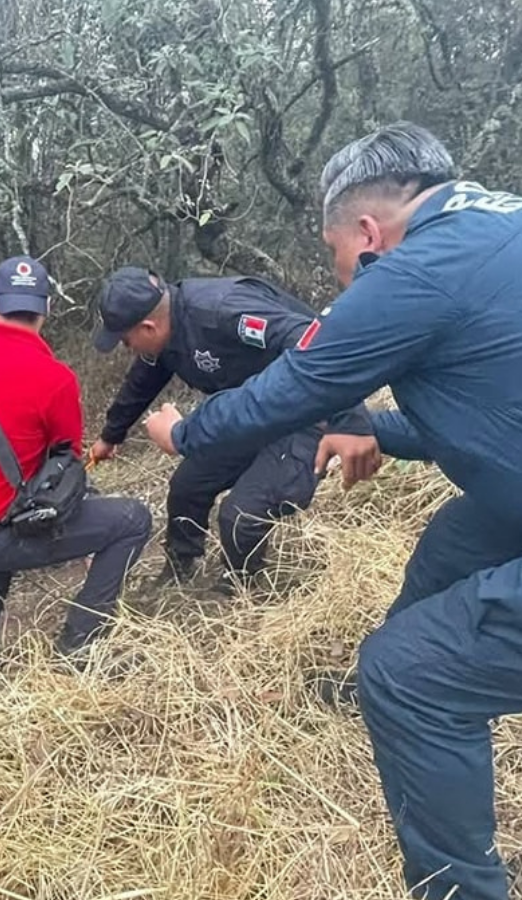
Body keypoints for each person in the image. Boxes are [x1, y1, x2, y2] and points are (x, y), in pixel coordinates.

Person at [141, 123, 522, 900]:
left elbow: (291, 382)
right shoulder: (496, 228)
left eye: (333, 253)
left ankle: (459, 888)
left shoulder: (415, 270)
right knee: (457, 536)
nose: (341, 275)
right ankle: (368, 694)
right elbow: (488, 418)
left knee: (409, 673)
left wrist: (185, 434)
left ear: (368, 231)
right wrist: (359, 425)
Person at [0, 256, 152, 670]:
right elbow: (62, 464)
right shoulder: (55, 379)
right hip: (4, 531)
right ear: (46, 309)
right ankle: (78, 645)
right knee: (133, 519)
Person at [89, 267, 379, 591]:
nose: (128, 348)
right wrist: (110, 435)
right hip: (252, 415)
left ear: (148, 326)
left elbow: (317, 343)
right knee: (187, 487)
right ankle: (180, 567)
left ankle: (241, 588)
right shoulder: (168, 331)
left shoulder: (222, 311)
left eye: (127, 340)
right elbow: (143, 379)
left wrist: (351, 422)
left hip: (307, 415)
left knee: (240, 514)